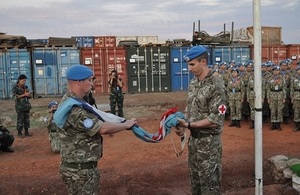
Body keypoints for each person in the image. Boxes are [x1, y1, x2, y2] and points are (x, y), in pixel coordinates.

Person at [54, 64, 137, 195]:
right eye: (90, 80)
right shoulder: (75, 109)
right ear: (79, 82)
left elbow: (97, 122)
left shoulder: (73, 101)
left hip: (79, 169)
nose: (92, 84)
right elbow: (102, 128)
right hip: (80, 172)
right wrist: (126, 125)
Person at [176, 46, 227, 194]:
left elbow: (216, 119)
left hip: (209, 144)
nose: (189, 68)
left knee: (210, 186)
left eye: (192, 64)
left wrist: (190, 124)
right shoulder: (194, 83)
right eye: (188, 64)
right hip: (194, 143)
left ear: (203, 62)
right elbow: (190, 108)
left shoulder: (216, 85)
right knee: (196, 184)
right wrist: (183, 125)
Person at [267, 66, 286, 130]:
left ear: (279, 71)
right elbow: (268, 89)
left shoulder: (282, 78)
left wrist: (284, 97)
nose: (276, 72)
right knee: (273, 110)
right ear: (273, 71)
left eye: (277, 70)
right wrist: (268, 98)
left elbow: (284, 89)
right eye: (274, 70)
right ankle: (273, 124)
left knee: (279, 110)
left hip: (280, 95)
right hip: (272, 95)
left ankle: (278, 124)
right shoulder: (270, 79)